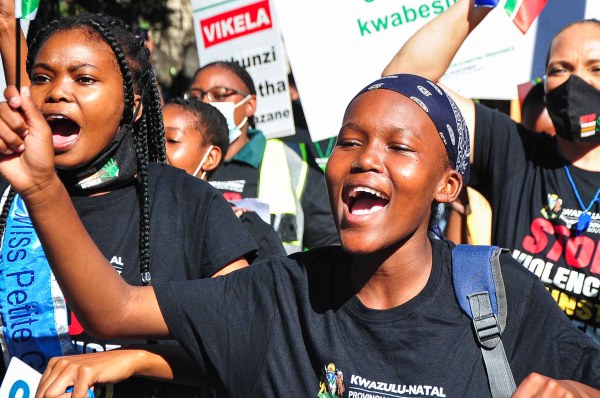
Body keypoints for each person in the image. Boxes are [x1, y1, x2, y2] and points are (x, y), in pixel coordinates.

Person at [1, 71, 599, 397]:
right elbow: (115, 309)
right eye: (350, 141)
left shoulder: (499, 295)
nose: (366, 159)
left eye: (400, 146)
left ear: (447, 185)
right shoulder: (282, 293)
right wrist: (42, 186)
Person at [0, 11, 257, 398]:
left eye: (84, 78)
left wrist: (137, 360)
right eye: (40, 77)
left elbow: (245, 344)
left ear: (132, 106)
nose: (56, 92)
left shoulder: (188, 201)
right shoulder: (9, 199)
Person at [383, 0, 600, 343]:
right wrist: (477, 6)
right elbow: (405, 84)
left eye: (596, 69)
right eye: (559, 69)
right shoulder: (517, 152)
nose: (576, 82)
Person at [185, 61, 339, 253]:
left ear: (250, 105)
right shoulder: (175, 160)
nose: (206, 102)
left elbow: (329, 243)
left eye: (220, 95)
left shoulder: (289, 160)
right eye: (195, 96)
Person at [163, 97, 286, 262]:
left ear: (210, 157)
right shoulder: (126, 214)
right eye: (148, 138)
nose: (155, 148)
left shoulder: (247, 230)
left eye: (172, 140)